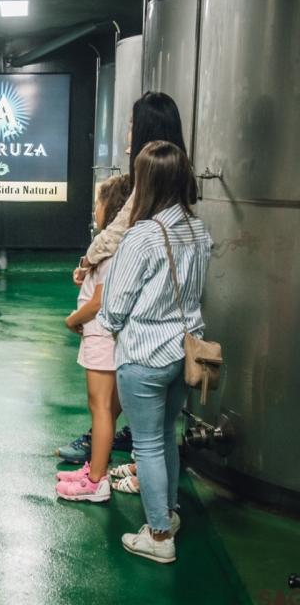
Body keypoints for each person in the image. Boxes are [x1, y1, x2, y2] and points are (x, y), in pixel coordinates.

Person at [55, 91, 190, 467]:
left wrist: (88, 260)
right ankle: (131, 458)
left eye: (133, 123)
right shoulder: (181, 175)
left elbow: (119, 232)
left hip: (139, 313)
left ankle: (103, 477)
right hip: (168, 314)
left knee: (122, 411)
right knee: (157, 424)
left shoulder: (150, 175)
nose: (128, 131)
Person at [97, 141, 213, 563]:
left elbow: (114, 306)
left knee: (145, 444)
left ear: (147, 182)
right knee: (165, 435)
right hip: (184, 351)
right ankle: (169, 514)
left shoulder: (143, 234)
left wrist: (111, 329)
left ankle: (159, 537)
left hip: (144, 355)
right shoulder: (198, 229)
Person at [55, 175, 131, 502]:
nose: (94, 210)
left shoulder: (112, 249)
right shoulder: (111, 247)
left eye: (98, 204)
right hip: (105, 335)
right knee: (107, 409)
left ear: (110, 208)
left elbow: (100, 302)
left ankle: (96, 482)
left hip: (100, 334)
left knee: (99, 407)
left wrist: (72, 320)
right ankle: (95, 468)